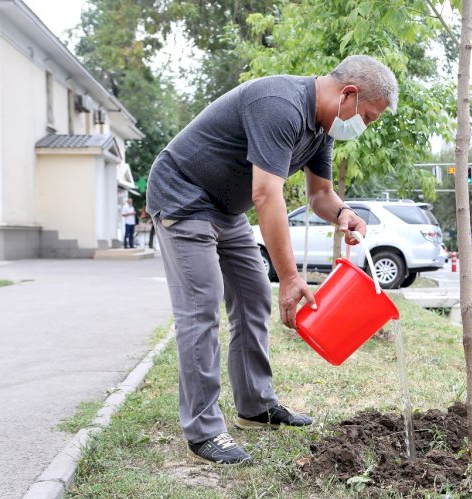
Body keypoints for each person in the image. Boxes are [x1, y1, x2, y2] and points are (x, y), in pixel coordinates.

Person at [146, 55, 398, 465]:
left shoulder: (322, 128)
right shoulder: (279, 104)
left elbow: (320, 195)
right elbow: (266, 194)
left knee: (252, 297)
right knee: (201, 306)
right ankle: (204, 431)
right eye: (366, 117)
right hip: (183, 194)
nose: (364, 127)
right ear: (348, 94)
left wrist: (343, 213)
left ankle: (255, 407)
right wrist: (291, 276)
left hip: (225, 209)